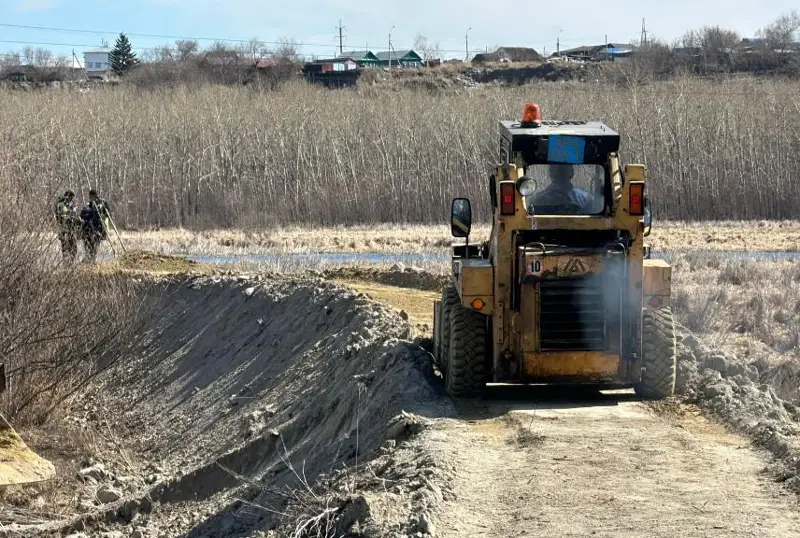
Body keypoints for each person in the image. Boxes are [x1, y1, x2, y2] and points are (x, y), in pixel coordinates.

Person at [527, 164, 594, 215]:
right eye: (558, 169)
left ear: (551, 174)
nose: (559, 171)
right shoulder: (585, 199)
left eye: (563, 169)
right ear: (572, 173)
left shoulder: (536, 200)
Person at [80, 189, 112, 263]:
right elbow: (82, 215)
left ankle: (91, 260)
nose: (91, 198)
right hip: (88, 230)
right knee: (88, 246)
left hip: (98, 229)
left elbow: (108, 214)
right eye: (90, 197)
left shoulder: (102, 204)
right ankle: (88, 260)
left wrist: (100, 214)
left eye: (92, 196)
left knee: (94, 246)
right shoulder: (88, 205)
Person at [54, 190, 81, 263]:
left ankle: (71, 262)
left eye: (72, 198)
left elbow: (74, 216)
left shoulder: (72, 205)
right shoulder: (61, 204)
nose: (71, 199)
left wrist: (79, 220)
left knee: (74, 248)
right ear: (67, 197)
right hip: (63, 230)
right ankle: (66, 264)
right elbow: (60, 216)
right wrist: (68, 216)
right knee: (65, 248)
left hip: (72, 229)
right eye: (70, 198)